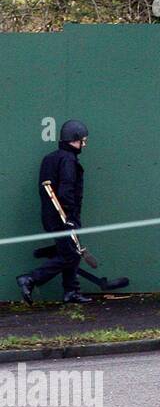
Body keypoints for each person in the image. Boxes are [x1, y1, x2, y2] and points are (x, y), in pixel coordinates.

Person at [16, 120, 92, 305]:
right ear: (74, 140)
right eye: (82, 140)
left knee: (70, 250)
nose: (84, 144)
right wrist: (70, 217)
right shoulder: (68, 160)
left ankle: (71, 292)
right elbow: (67, 189)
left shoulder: (51, 158)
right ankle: (31, 279)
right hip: (63, 216)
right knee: (71, 254)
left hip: (51, 215)